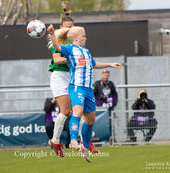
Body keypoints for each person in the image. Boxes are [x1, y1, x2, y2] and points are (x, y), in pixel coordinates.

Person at [48, 24, 122, 162]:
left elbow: (93, 64)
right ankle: (73, 140)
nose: (86, 38)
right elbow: (57, 48)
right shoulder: (70, 49)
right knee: (77, 111)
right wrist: (52, 34)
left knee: (90, 119)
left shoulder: (86, 51)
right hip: (77, 87)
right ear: (76, 38)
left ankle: (85, 145)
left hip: (88, 90)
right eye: (84, 36)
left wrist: (110, 64)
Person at [48, 3, 98, 157]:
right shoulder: (60, 42)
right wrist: (74, 59)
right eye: (66, 26)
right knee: (66, 111)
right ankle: (55, 141)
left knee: (80, 111)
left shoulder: (77, 45)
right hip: (59, 76)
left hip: (73, 77)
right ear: (62, 27)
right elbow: (57, 60)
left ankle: (85, 141)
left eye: (71, 26)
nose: (69, 28)